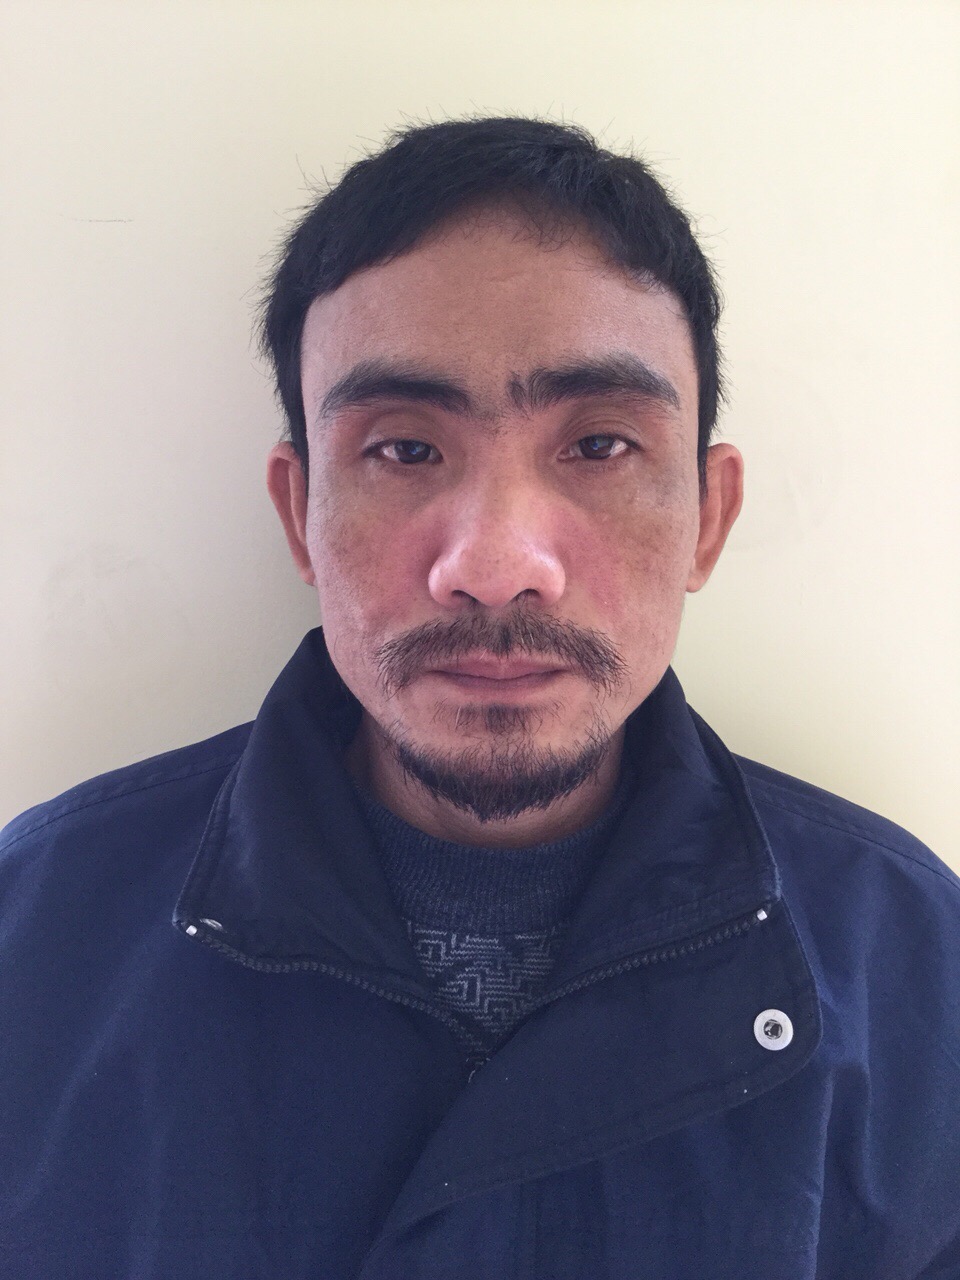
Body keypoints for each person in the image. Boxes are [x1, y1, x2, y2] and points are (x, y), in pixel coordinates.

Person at [1, 117, 957, 1280]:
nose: (497, 565)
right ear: (298, 512)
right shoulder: (34, 940)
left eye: (599, 444)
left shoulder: (918, 970)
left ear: (708, 517)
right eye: (405, 450)